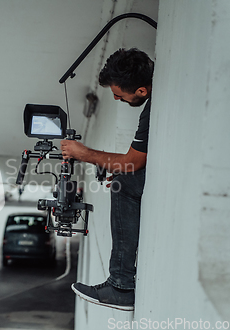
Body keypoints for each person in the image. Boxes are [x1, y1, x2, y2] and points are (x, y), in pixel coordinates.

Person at [60, 48, 153, 311]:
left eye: (118, 94)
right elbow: (131, 161)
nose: (114, 98)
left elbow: (134, 162)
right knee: (123, 177)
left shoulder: (150, 110)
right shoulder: (153, 95)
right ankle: (120, 283)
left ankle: (121, 286)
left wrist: (84, 153)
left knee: (122, 185)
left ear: (141, 91)